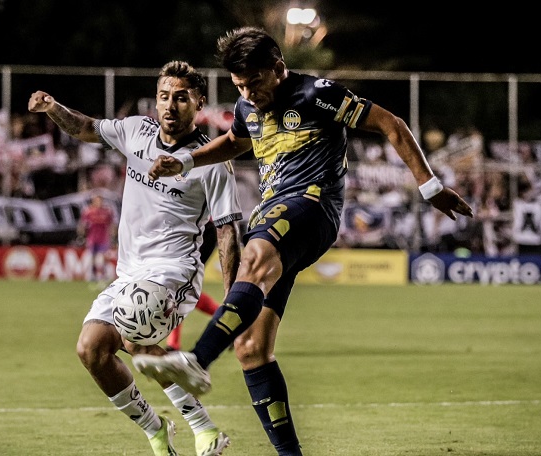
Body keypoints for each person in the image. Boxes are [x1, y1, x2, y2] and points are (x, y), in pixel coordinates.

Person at [133, 27, 474, 456]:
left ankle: (197, 360)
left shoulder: (316, 94)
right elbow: (235, 142)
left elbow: (391, 122)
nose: (249, 93)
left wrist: (429, 186)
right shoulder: (245, 106)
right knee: (252, 347)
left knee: (253, 257)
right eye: (240, 86)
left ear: (278, 68)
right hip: (279, 216)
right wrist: (184, 159)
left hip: (312, 207)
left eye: (255, 82)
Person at [27, 60, 243, 456]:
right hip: (129, 271)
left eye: (181, 98)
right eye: (164, 97)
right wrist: (53, 108)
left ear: (199, 103)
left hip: (175, 272)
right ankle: (158, 429)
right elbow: (86, 128)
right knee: (91, 348)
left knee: (132, 329)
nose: (170, 106)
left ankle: (202, 427)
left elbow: (228, 231)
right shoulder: (135, 133)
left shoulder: (211, 161)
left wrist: (234, 298)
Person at [165, 221, 221, 352]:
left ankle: (173, 344)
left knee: (180, 289)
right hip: (191, 231)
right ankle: (229, 320)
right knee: (183, 289)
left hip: (201, 231)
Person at [77, 193, 116, 283]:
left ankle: (103, 274)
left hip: (103, 238)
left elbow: (112, 224)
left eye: (99, 200)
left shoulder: (107, 212)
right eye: (96, 200)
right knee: (93, 257)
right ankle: (93, 275)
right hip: (92, 238)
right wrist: (81, 235)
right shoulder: (88, 211)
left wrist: (113, 236)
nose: (98, 202)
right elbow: (82, 224)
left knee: (102, 257)